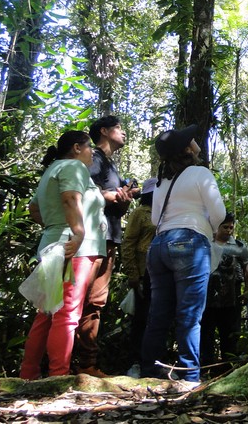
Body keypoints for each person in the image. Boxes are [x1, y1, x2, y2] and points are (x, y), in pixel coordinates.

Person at [141, 125, 226, 384]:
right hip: (190, 242)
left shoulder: (162, 181)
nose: (195, 140)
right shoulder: (200, 173)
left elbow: (156, 218)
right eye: (191, 139)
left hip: (158, 247)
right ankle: (189, 376)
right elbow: (220, 213)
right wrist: (205, 228)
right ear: (187, 149)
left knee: (159, 314)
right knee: (189, 314)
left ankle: (148, 373)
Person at [20, 130, 107, 379]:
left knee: (47, 313)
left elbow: (35, 209)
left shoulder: (52, 169)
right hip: (74, 248)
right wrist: (77, 233)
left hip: (54, 244)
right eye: (90, 147)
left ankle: (29, 374)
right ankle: (59, 376)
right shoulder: (73, 166)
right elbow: (70, 199)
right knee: (68, 313)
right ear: (77, 148)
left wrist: (54, 226)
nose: (92, 153)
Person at [75, 115, 138, 377]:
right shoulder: (92, 158)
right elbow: (79, 192)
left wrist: (123, 198)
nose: (124, 133)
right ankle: (64, 365)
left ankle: (86, 366)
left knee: (95, 303)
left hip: (108, 238)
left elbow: (116, 207)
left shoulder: (110, 165)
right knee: (77, 301)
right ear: (104, 131)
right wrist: (110, 195)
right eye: (119, 128)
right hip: (89, 240)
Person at [200, 213, 248, 368]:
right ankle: (206, 366)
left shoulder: (239, 246)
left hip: (231, 298)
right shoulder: (205, 243)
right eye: (225, 227)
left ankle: (228, 367)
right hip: (207, 298)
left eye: (231, 227)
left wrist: (246, 291)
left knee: (230, 333)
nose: (229, 230)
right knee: (206, 332)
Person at [120, 177, 158, 378]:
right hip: (144, 273)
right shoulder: (139, 214)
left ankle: (154, 362)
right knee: (141, 320)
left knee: (158, 318)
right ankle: (135, 362)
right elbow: (128, 244)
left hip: (161, 273)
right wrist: (133, 274)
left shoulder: (165, 213)